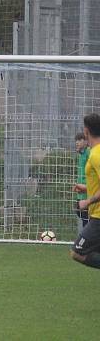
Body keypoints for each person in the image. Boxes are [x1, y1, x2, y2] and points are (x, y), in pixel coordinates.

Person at [70, 113, 100, 269]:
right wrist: (87, 188)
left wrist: (87, 201)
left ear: (86, 131)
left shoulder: (95, 154)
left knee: (78, 252)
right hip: (95, 214)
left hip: (98, 217)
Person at [73, 132, 90, 228]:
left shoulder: (89, 152)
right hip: (80, 189)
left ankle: (87, 240)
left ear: (86, 141)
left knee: (85, 216)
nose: (77, 142)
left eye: (80, 140)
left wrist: (85, 185)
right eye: (76, 140)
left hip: (87, 189)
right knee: (79, 212)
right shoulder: (81, 154)